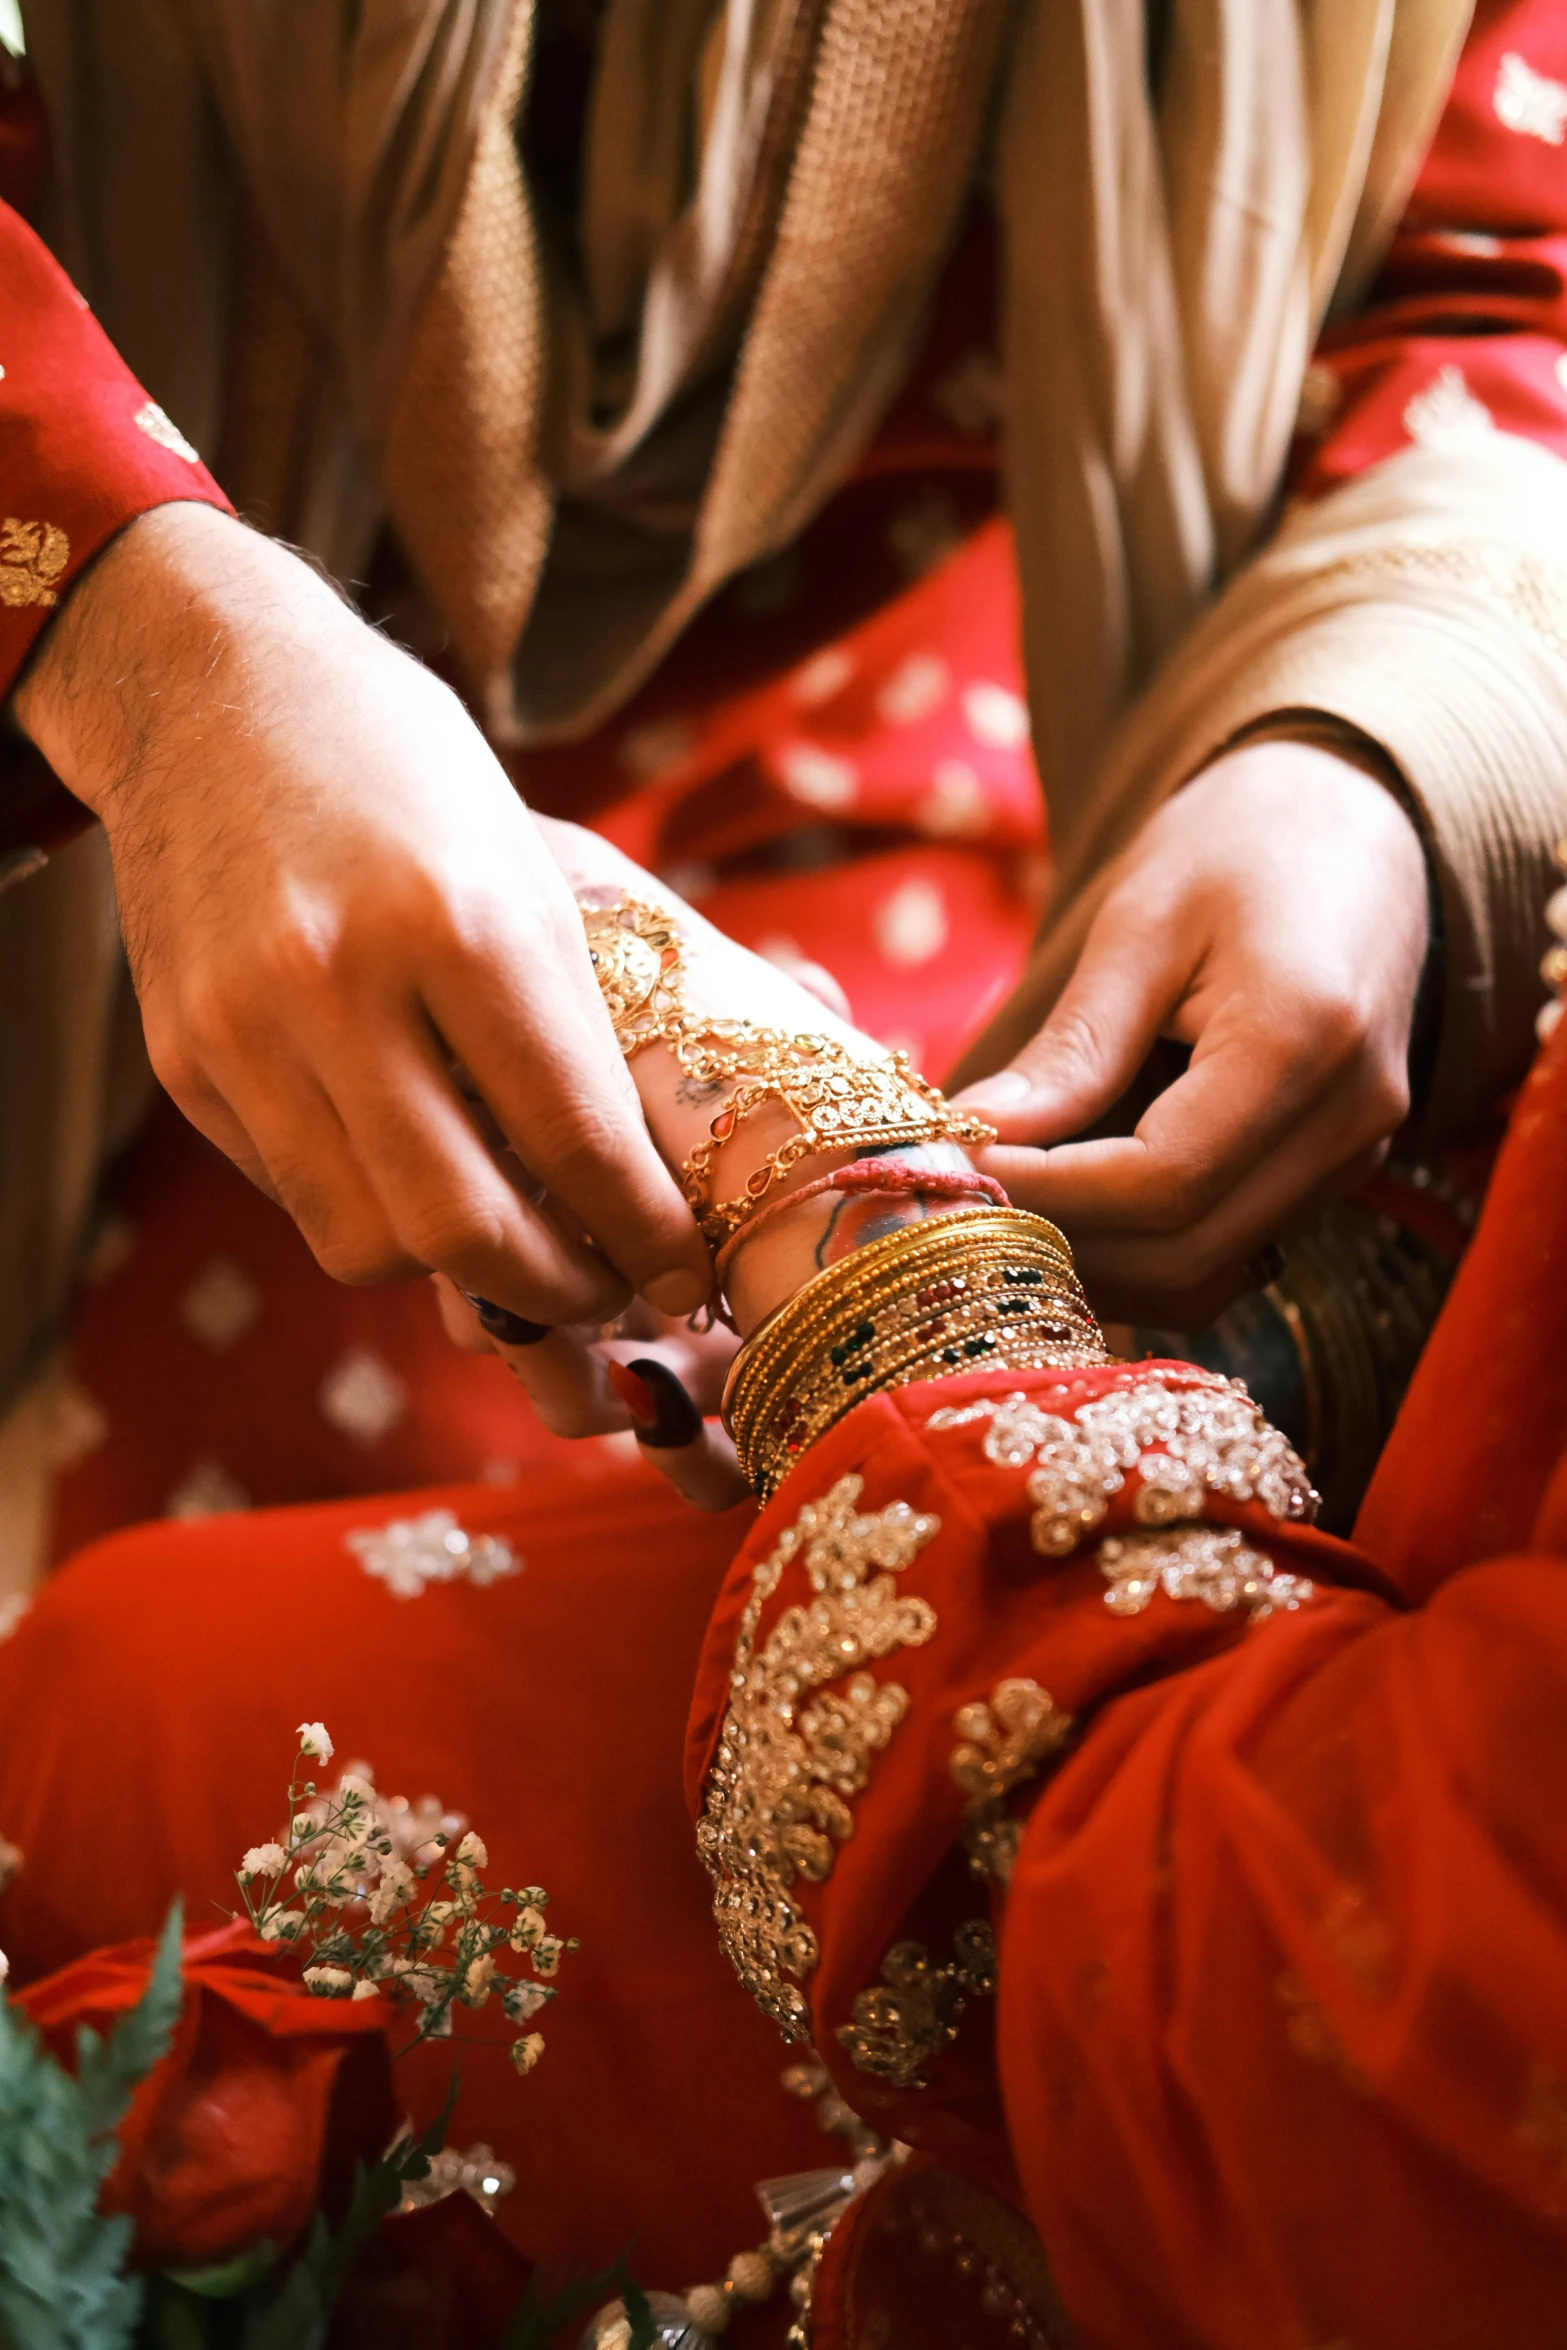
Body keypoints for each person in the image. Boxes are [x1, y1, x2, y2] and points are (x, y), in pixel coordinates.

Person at [0, 832, 1564, 2348]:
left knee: (122, 1735)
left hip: (1192, 1987)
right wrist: (1373, 791)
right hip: (1385, 1438)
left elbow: (1311, 2046)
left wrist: (868, 1238)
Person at [4, 0, 1567, 1460]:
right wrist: (136, 630)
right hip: (93, 863)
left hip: (1035, 773)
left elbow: (1500, 242)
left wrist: (1364, 760)